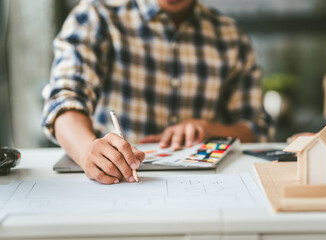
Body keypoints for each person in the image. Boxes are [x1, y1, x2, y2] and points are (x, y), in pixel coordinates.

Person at [42, 0, 272, 185]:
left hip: (201, 186)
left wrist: (209, 129)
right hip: (115, 182)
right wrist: (86, 151)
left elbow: (258, 129)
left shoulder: (230, 37)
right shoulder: (96, 16)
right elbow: (63, 100)